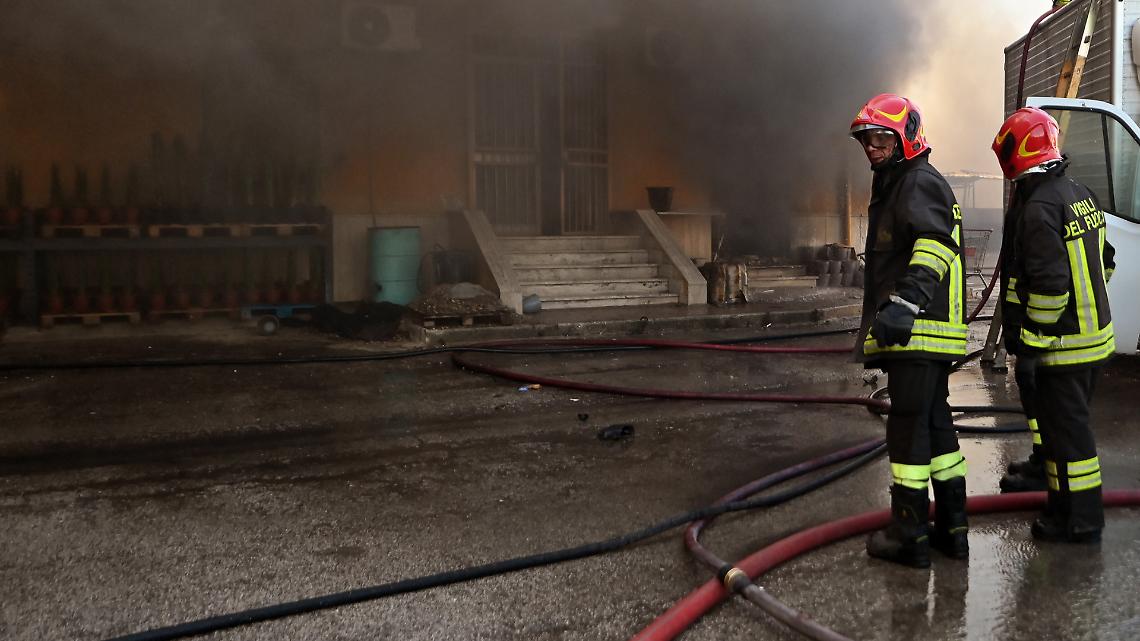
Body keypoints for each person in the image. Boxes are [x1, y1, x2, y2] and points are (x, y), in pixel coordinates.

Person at [850, 93, 970, 568]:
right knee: (935, 425)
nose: (872, 148)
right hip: (927, 334)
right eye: (866, 140)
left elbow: (936, 244)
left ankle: (909, 533)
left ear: (907, 135)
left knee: (907, 431)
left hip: (918, 332)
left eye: (881, 137)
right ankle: (952, 529)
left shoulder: (916, 183)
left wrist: (905, 303)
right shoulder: (902, 182)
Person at [991, 107, 1115, 542]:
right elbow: (1106, 262)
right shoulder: (1080, 193)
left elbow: (1050, 287)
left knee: (1071, 443)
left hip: (1064, 347)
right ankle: (1064, 510)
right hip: (1093, 339)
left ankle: (1080, 521)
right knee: (1065, 438)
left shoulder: (1039, 208)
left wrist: (1031, 342)